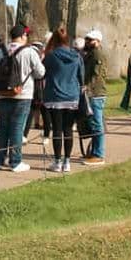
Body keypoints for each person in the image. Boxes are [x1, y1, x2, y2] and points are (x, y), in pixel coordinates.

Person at [0, 25, 46, 173]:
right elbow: (40, 72)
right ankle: (15, 161)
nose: (26, 38)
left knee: (2, 128)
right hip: (22, 94)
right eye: (25, 35)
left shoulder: (0, 52)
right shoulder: (29, 52)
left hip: (2, 94)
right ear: (21, 36)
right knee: (17, 128)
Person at [42, 27, 84, 173]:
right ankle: (67, 162)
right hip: (72, 95)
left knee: (57, 129)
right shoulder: (77, 56)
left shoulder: (51, 56)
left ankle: (57, 161)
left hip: (54, 95)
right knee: (68, 130)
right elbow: (81, 76)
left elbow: (42, 72)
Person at [82, 30, 109, 165]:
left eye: (91, 40)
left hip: (96, 93)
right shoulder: (91, 53)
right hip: (93, 93)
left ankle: (99, 154)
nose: (88, 42)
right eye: (87, 39)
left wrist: (87, 87)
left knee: (97, 124)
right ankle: (94, 152)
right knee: (94, 123)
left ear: (98, 41)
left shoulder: (97, 54)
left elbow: (96, 74)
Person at [24, 40, 51, 146]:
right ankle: (24, 135)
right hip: (32, 90)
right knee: (29, 114)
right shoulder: (29, 59)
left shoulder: (47, 60)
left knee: (46, 114)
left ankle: (46, 135)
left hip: (44, 90)